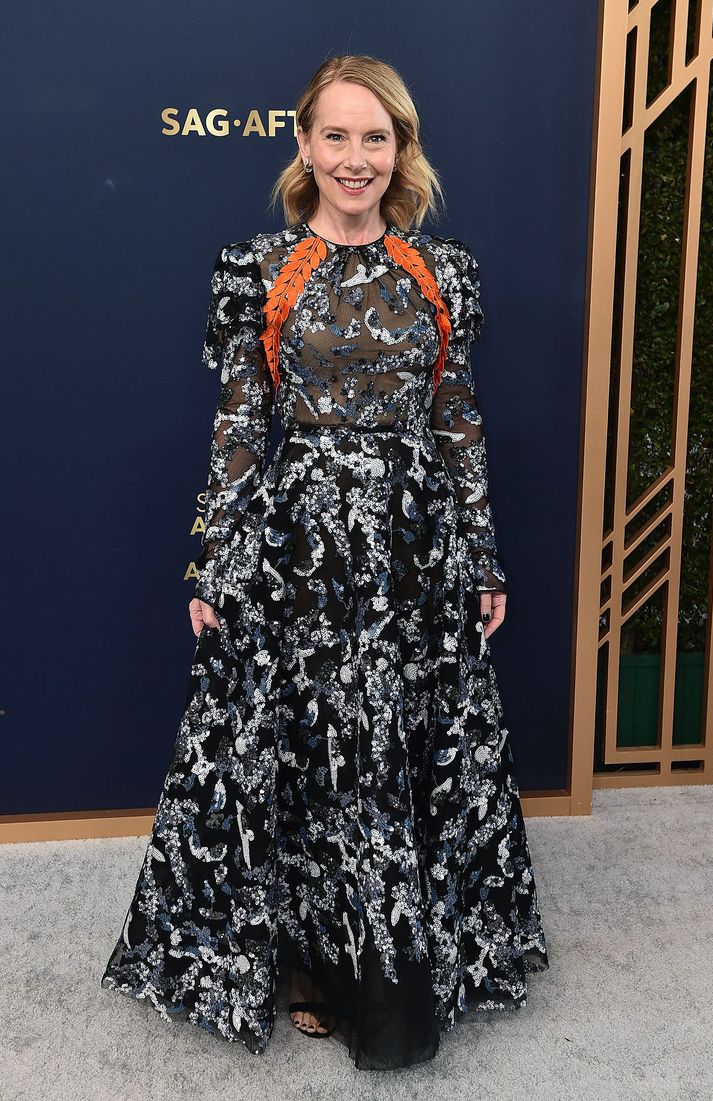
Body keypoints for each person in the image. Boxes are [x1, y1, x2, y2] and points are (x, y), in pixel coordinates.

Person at [100, 53, 549, 1071]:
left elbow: (455, 418)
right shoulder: (255, 266)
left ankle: (395, 975)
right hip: (296, 546)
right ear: (303, 145)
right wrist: (214, 560)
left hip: (411, 546)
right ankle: (306, 961)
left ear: (402, 151)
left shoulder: (445, 271)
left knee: (399, 748)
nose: (356, 158)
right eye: (336, 136)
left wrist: (482, 557)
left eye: (375, 138)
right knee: (302, 758)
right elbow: (241, 420)